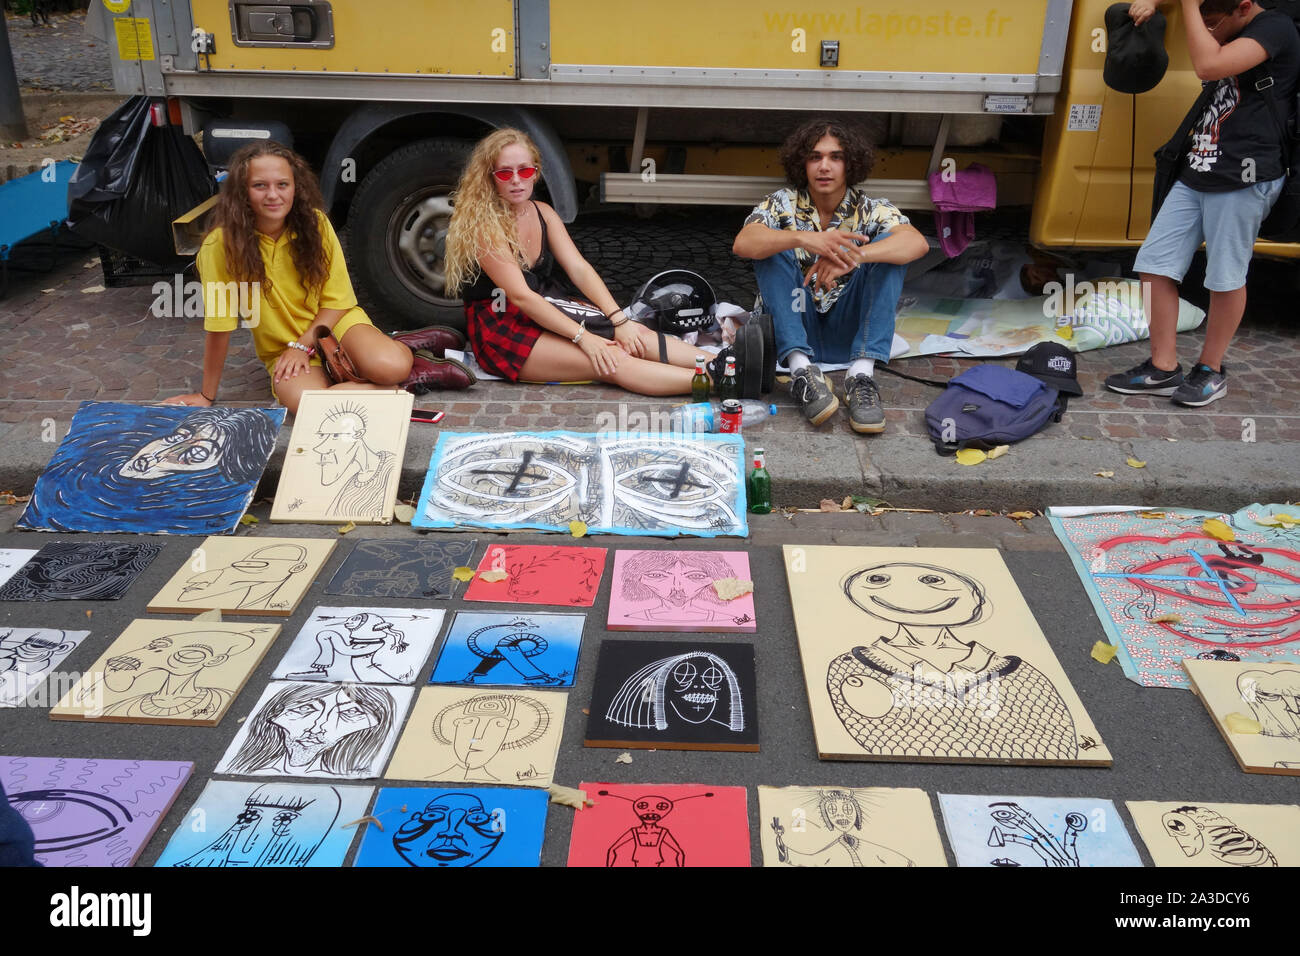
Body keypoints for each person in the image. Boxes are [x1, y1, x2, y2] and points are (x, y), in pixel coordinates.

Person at [165, 142, 472, 415]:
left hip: (334, 324)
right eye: (260, 185)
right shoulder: (219, 247)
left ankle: (403, 357)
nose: (273, 195)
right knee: (305, 403)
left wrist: (303, 344)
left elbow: (337, 301)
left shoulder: (316, 224)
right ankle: (399, 387)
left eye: (282, 184)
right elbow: (219, 327)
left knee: (390, 367)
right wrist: (207, 394)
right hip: (282, 348)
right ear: (242, 192)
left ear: (295, 187)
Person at [443, 128, 746, 395]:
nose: (517, 180)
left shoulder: (542, 212)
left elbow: (579, 269)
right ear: (490, 178)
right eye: (504, 173)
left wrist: (619, 319)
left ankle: (730, 363)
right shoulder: (484, 225)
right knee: (613, 360)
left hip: (547, 305)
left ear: (536, 172)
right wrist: (584, 338)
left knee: (635, 334)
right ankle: (718, 379)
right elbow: (521, 297)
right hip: (504, 328)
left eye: (525, 171)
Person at [1106, 0, 1300, 406]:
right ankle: (1163, 367)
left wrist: (1191, 7)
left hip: (1245, 174)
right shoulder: (1233, 19)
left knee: (1225, 276)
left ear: (1244, 7)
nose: (1206, 33)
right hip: (1199, 167)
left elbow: (1209, 66)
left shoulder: (1276, 28)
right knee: (1154, 265)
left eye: (1215, 24)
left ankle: (1210, 370)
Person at [733, 118, 929, 433]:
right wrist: (801, 238)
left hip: (848, 333)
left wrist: (855, 256)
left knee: (890, 248)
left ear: (851, 164)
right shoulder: (781, 203)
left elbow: (916, 243)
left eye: (835, 157)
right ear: (802, 163)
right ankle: (802, 374)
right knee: (770, 242)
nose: (825, 166)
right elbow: (744, 243)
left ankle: (861, 376)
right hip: (795, 325)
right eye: (815, 157)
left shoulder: (871, 209)